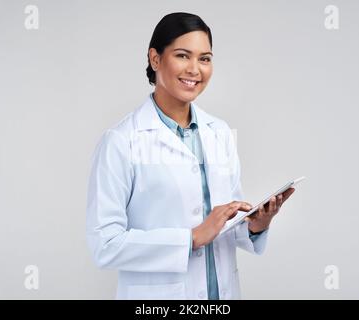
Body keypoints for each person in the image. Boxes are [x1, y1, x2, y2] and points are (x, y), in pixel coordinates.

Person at [86, 12, 295, 300]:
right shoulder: (121, 141)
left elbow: (224, 226)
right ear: (155, 59)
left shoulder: (219, 132)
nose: (195, 69)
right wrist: (191, 238)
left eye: (205, 58)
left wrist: (256, 225)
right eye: (183, 55)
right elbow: (105, 245)